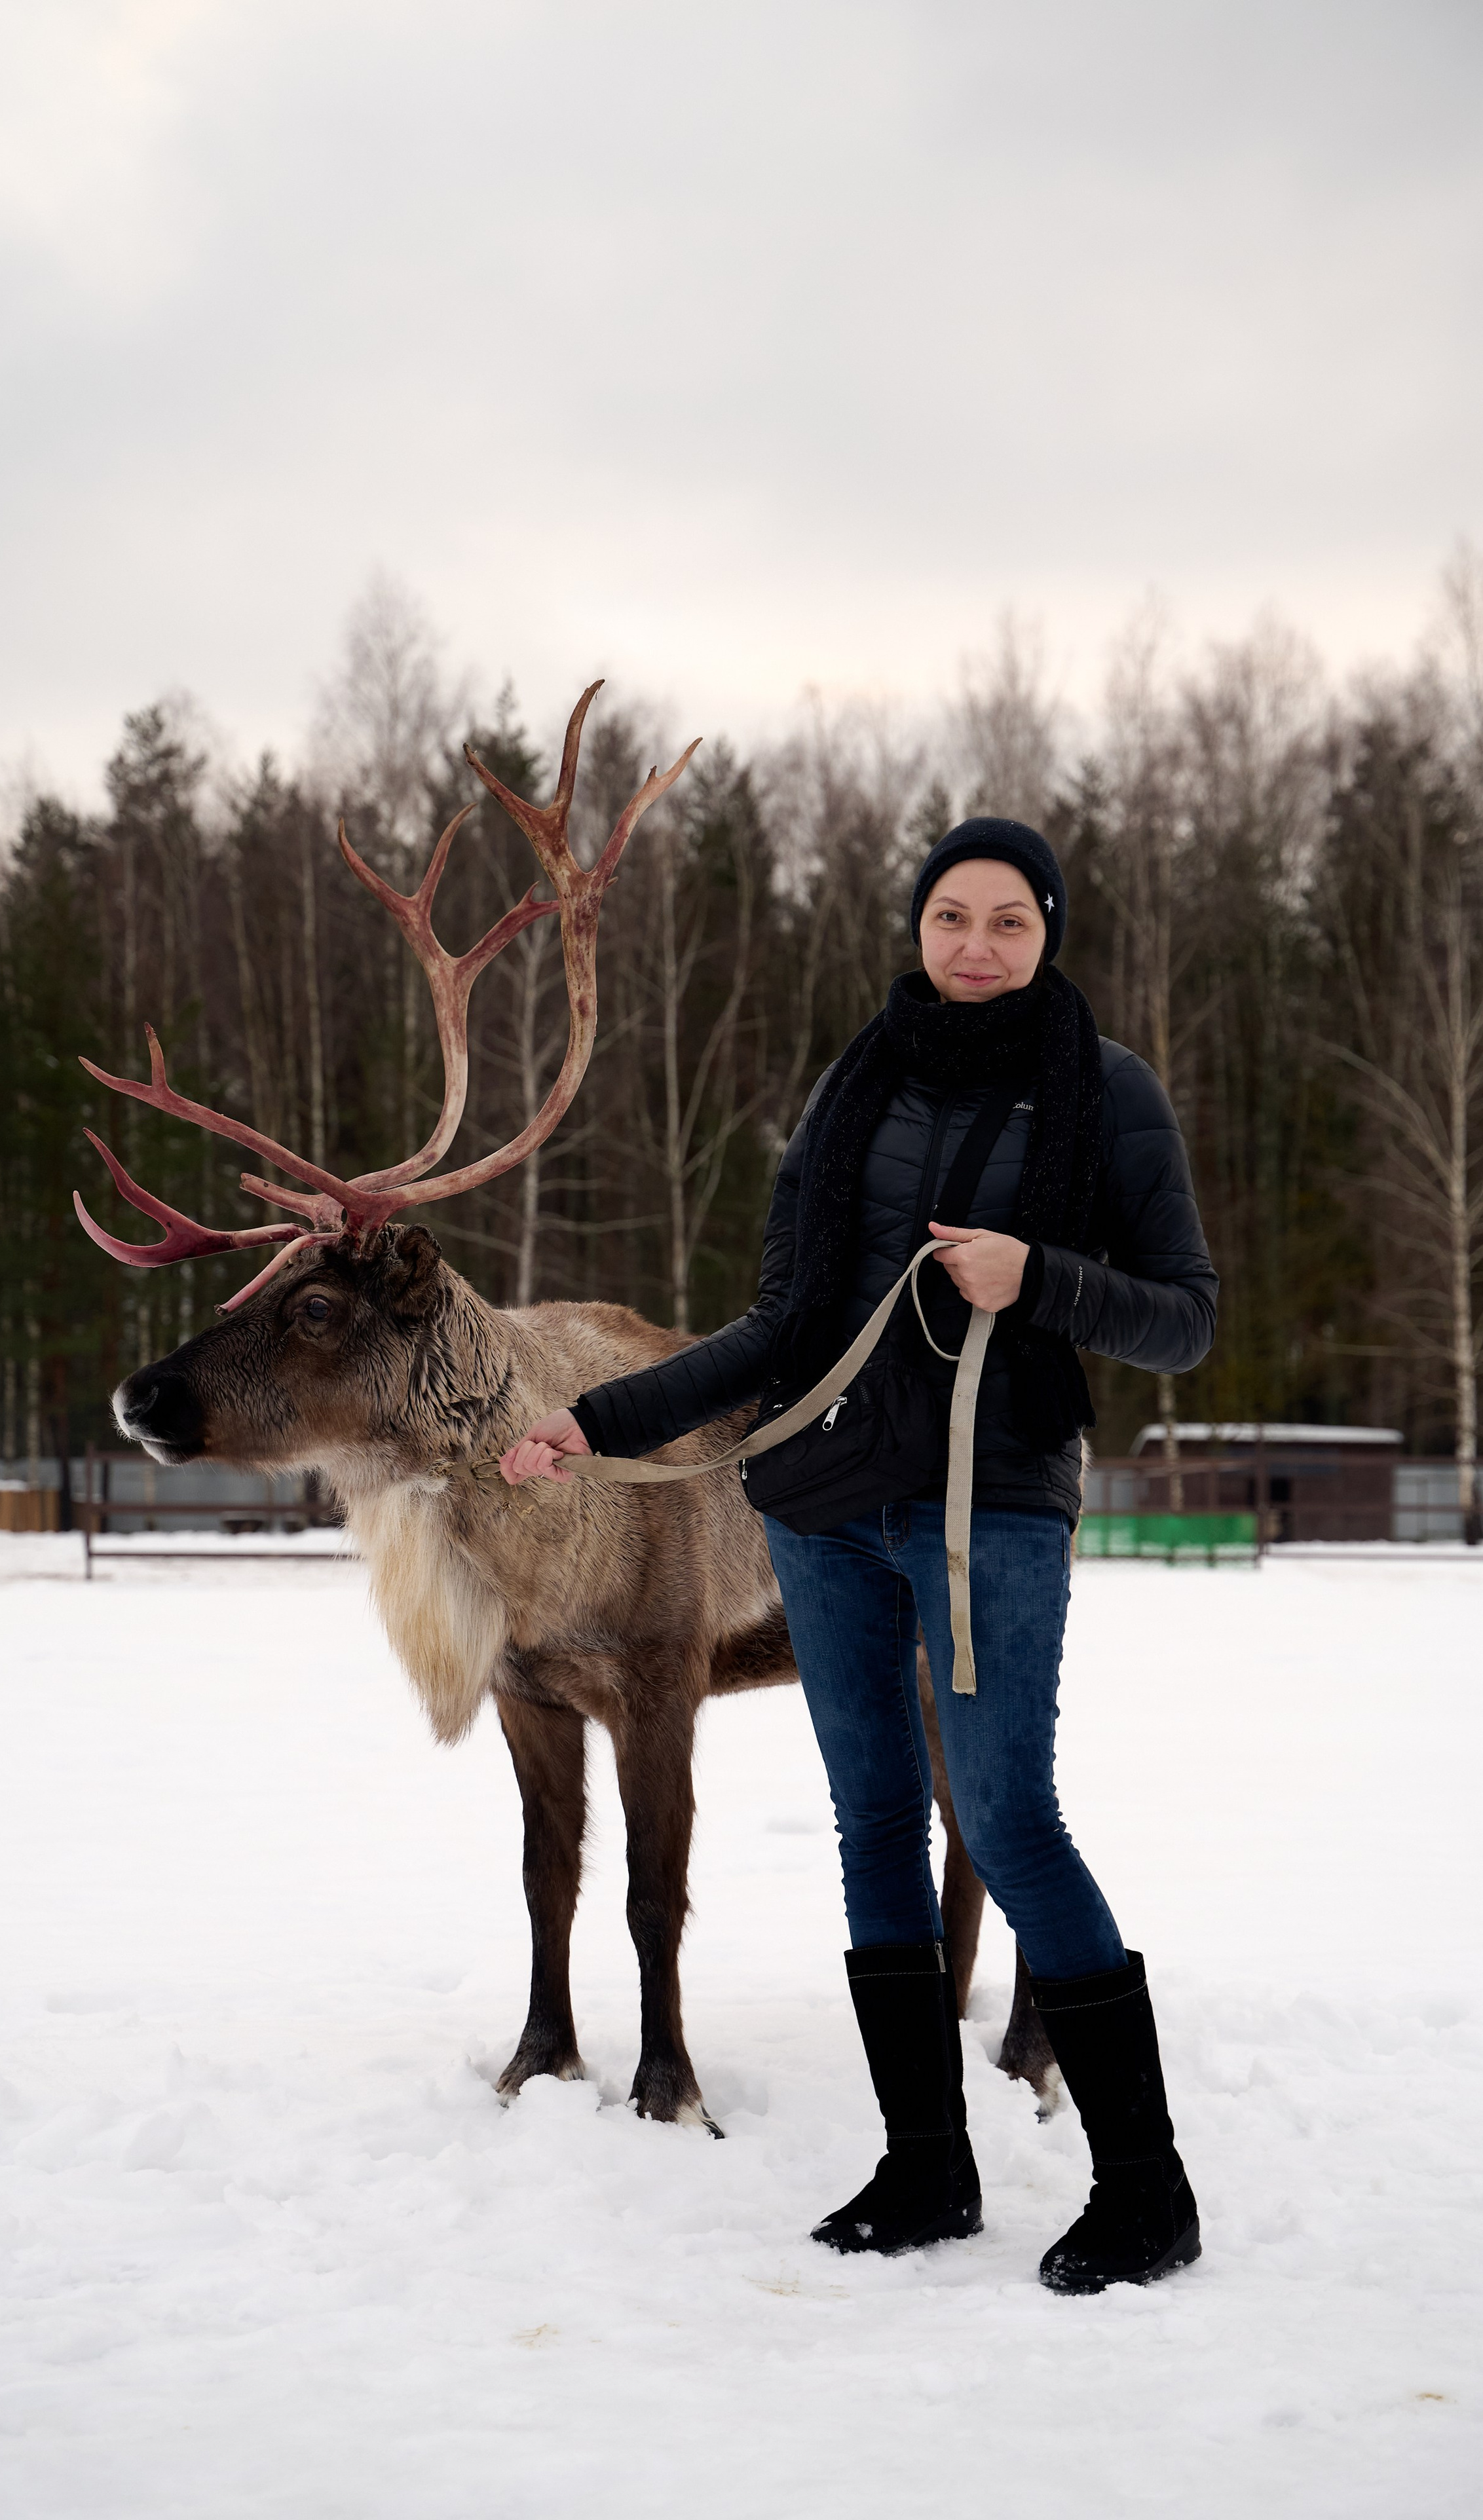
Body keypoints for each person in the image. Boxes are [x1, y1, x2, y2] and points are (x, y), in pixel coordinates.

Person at [499, 817, 1217, 2294]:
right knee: (874, 1826)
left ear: (1047, 933)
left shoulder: (1108, 1095)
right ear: (917, 924)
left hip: (992, 1502)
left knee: (1009, 1820)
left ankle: (1147, 2192)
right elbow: (770, 1329)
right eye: (949, 915)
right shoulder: (851, 1087)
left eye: (1007, 921)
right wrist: (594, 1421)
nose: (974, 945)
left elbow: (1183, 1316)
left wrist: (1039, 1278)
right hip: (821, 1508)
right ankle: (924, 2167)